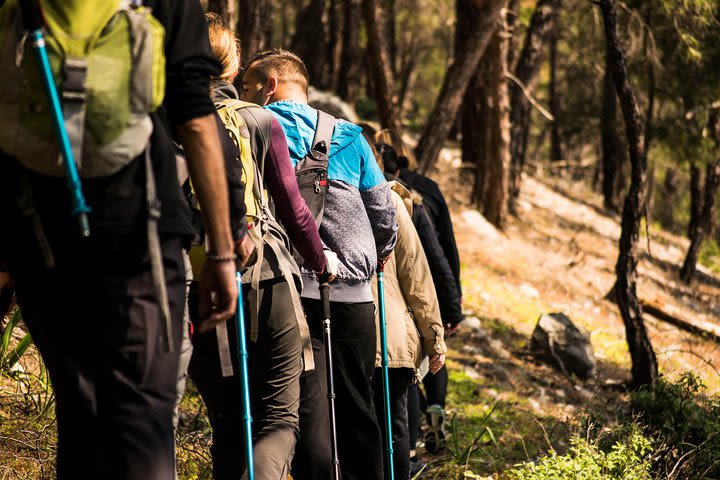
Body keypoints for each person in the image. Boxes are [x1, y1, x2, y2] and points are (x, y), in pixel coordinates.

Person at [0, 1, 239, 479]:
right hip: (139, 235)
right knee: (142, 420)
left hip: (38, 232)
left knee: (80, 409)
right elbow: (194, 116)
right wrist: (222, 250)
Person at [184, 16, 336, 480]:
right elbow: (293, 208)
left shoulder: (159, 118)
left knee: (229, 424)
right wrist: (321, 262)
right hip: (265, 279)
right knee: (277, 419)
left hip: (195, 285)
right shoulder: (259, 119)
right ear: (231, 68)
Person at [242, 49, 398, 480]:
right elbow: (384, 215)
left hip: (285, 292)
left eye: (250, 86)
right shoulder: (351, 136)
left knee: (308, 415)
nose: (246, 95)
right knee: (357, 408)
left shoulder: (255, 130)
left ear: (270, 85)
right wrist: (372, 260)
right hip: (352, 298)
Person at [376, 130, 463, 455]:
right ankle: (436, 407)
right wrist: (453, 305)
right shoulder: (424, 191)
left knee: (406, 370)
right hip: (430, 289)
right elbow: (445, 253)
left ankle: (412, 437)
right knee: (431, 358)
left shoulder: (376, 193)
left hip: (393, 294)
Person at [370, 177, 446, 480]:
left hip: (335, 332)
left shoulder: (315, 187)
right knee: (394, 428)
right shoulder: (389, 202)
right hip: (390, 335)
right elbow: (416, 275)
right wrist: (435, 338)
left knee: (356, 427)